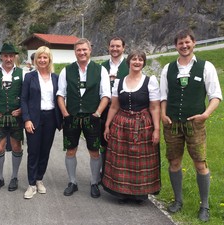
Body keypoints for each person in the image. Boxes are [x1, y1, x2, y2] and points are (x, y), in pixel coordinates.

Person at [160, 29, 222, 222]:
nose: (184, 46)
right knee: (174, 162)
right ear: (176, 46)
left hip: (195, 125)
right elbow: (163, 96)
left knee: (200, 163)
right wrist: (162, 114)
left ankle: (204, 205)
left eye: (187, 42)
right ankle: (178, 200)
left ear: (194, 43)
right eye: (180, 43)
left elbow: (216, 96)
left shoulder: (206, 67)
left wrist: (205, 115)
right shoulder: (167, 68)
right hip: (172, 124)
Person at [102, 50, 161, 204]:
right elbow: (114, 106)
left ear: (143, 63)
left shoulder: (150, 81)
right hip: (121, 124)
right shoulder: (119, 82)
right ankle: (122, 193)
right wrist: (107, 125)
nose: (137, 62)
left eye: (140, 59)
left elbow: (154, 107)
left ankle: (139, 194)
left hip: (142, 125)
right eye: (134, 59)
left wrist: (156, 129)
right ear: (128, 62)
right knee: (122, 159)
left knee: (139, 160)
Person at [57, 38, 111, 198]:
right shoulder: (66, 70)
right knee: (70, 150)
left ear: (90, 50)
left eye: (84, 50)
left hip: (92, 117)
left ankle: (94, 182)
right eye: (78, 50)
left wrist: (98, 114)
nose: (81, 52)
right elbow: (61, 94)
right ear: (75, 52)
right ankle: (72, 182)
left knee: (94, 151)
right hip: (72, 116)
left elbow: (106, 95)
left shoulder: (100, 70)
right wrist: (65, 113)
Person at [21, 46, 62, 199]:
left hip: (51, 117)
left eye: (45, 57)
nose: (42, 60)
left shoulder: (56, 78)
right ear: (36, 59)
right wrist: (27, 119)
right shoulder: (29, 77)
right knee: (33, 151)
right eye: (40, 57)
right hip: (34, 118)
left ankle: (39, 180)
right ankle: (31, 184)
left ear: (49, 59)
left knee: (45, 151)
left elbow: (60, 98)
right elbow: (24, 100)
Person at [0, 43, 25, 192]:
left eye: (11, 56)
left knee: (16, 146)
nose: (8, 59)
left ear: (15, 57)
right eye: (5, 56)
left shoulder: (23, 73)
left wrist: (21, 109)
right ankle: (0, 177)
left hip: (16, 117)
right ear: (1, 57)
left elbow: (25, 96)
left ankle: (14, 177)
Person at [100, 37, 129, 178]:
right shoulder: (102, 66)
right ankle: (103, 173)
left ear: (123, 48)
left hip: (124, 110)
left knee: (121, 143)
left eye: (118, 46)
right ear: (108, 47)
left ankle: (118, 175)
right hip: (105, 109)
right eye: (112, 46)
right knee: (104, 141)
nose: (115, 49)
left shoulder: (130, 65)